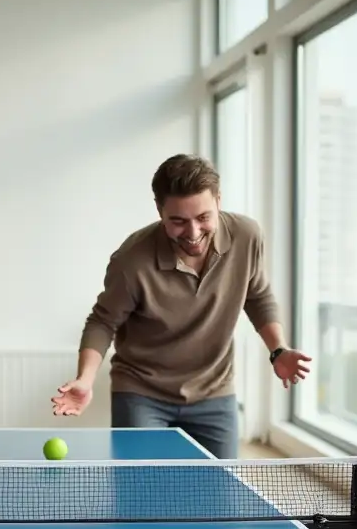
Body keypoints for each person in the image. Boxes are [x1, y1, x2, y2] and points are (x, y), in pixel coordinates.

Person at [51, 153, 310, 458]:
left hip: (214, 390)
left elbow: (257, 296)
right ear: (160, 211)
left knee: (220, 494)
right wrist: (85, 378)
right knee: (141, 494)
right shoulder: (132, 260)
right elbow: (103, 322)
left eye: (203, 218)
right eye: (178, 221)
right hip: (142, 393)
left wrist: (277, 349)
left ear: (218, 201)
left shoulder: (247, 236)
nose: (193, 233)